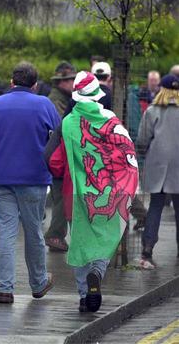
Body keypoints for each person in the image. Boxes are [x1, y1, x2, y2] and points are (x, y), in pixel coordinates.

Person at [45, 71, 138, 312]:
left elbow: (54, 161)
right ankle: (97, 272)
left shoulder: (67, 123)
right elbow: (126, 156)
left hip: (73, 196)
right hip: (108, 193)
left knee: (80, 243)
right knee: (106, 237)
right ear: (98, 94)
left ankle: (84, 296)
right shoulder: (112, 121)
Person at [0, 62, 58, 304]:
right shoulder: (44, 104)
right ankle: (38, 282)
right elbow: (58, 138)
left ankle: (5, 289)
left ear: (11, 82)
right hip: (35, 179)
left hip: (1, 178)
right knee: (33, 232)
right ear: (35, 85)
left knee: (6, 234)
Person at [137, 74, 179, 268]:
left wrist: (145, 154)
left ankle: (147, 248)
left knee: (155, 206)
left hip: (157, 164)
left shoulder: (152, 111)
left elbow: (143, 139)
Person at [45, 62, 77, 252]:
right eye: (71, 80)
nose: (73, 83)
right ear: (63, 82)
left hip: (55, 154)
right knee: (60, 197)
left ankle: (56, 236)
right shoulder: (56, 100)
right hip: (58, 154)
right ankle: (55, 235)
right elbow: (59, 127)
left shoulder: (62, 98)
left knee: (60, 196)